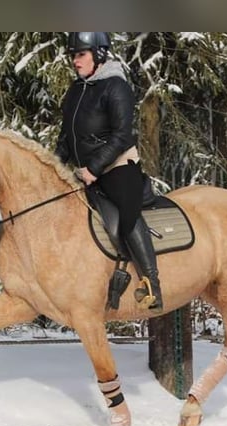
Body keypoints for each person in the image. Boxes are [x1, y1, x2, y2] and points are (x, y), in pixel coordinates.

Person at [55, 32, 163, 312]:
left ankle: (152, 283)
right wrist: (52, 166)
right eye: (73, 55)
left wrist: (94, 167)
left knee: (127, 216)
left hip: (116, 167)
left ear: (99, 55)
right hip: (84, 173)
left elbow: (121, 135)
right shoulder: (76, 90)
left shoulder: (116, 87)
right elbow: (66, 137)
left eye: (81, 54)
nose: (75, 61)